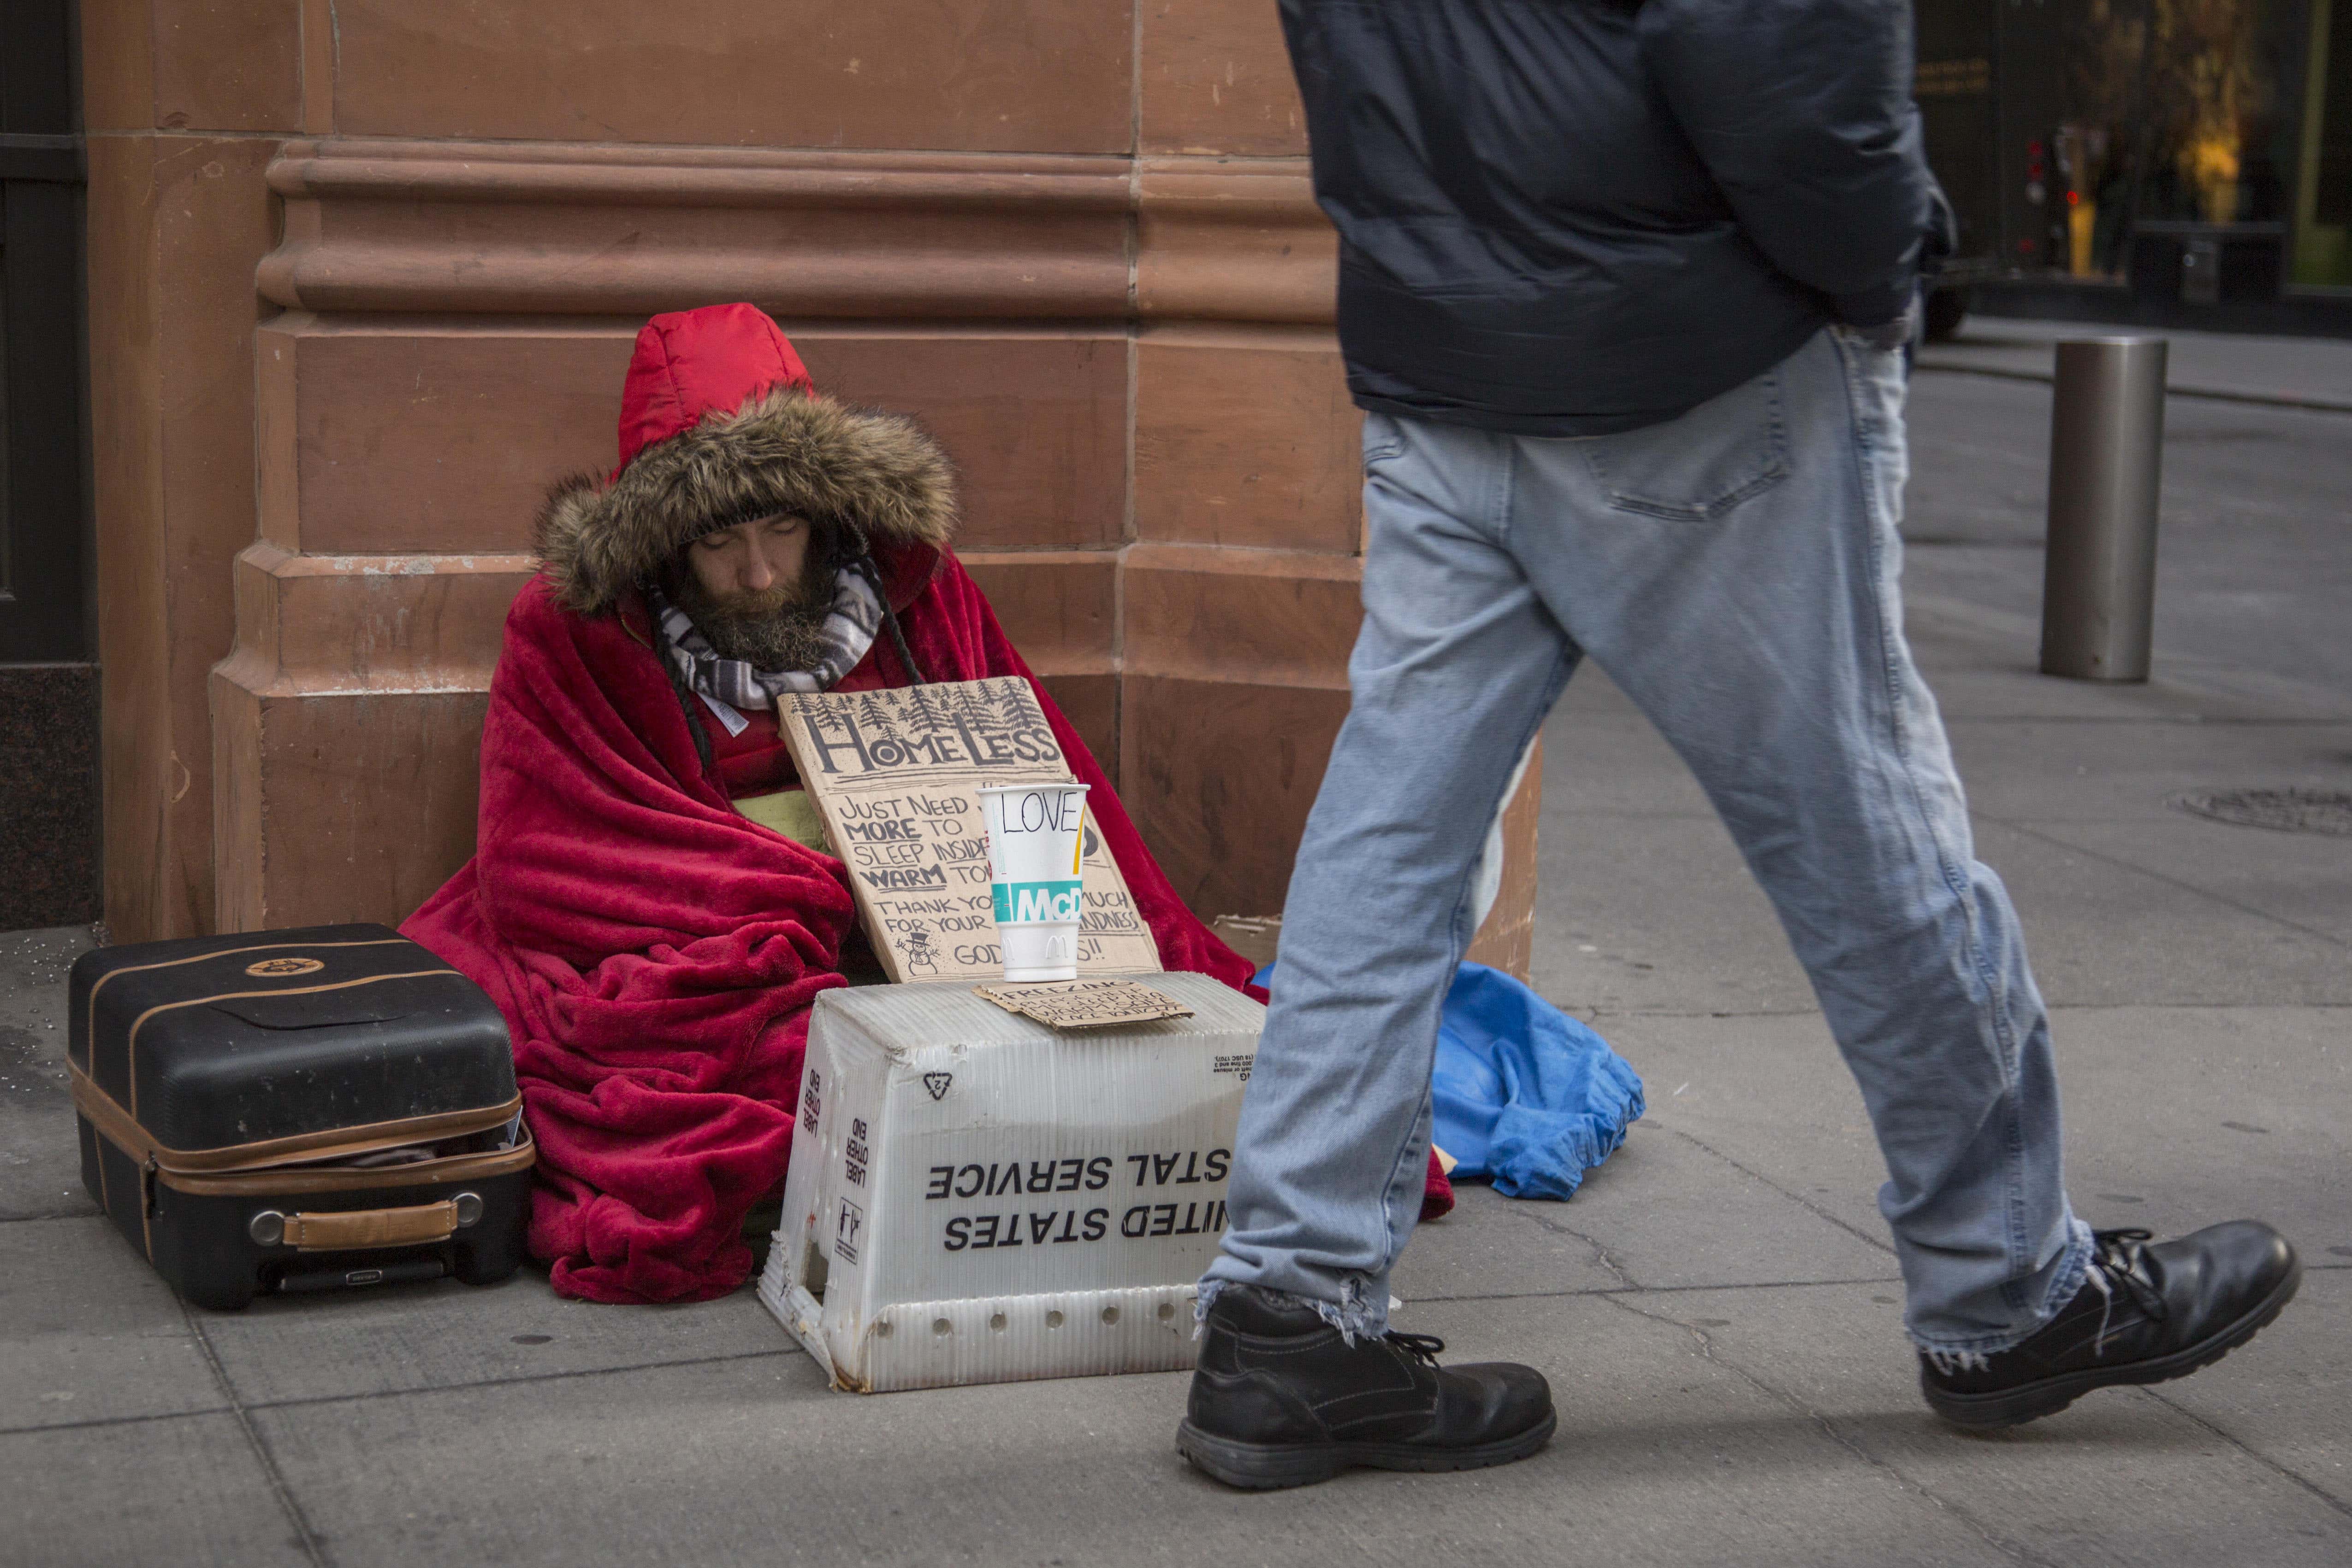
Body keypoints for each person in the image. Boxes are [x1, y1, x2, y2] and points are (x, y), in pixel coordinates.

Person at [1177, 0, 2299, 1490]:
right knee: (1861, 823)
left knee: (1387, 847)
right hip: (1683, 343)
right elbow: (1787, 55)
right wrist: (1887, 266)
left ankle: (1285, 1316)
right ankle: (2008, 1288)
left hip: (1443, 330)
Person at [400, 303, 1288, 1302]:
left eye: (784, 527)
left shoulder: (919, 592)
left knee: (1125, 1048)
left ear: (827, 512)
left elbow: (1033, 764)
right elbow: (551, 848)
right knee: (772, 1071)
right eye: (719, 544)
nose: (760, 572)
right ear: (662, 543)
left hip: (930, 911)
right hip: (724, 921)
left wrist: (1021, 904)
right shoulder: (576, 625)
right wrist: (813, 885)